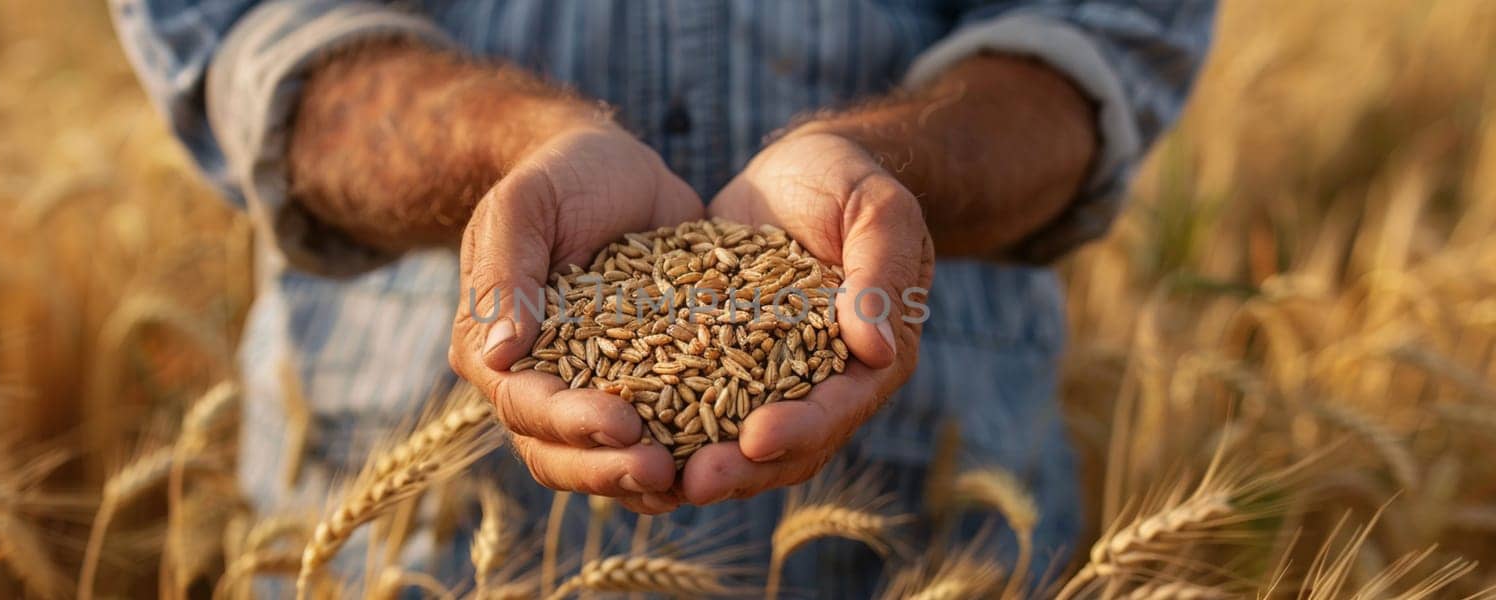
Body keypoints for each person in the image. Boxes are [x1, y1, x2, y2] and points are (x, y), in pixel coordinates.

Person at [112, 0, 1214, 594]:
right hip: (405, 540)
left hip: (930, 537)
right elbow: (239, 32)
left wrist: (886, 168)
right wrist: (515, 146)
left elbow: (1105, 36)